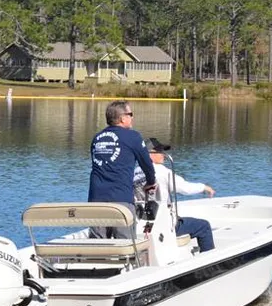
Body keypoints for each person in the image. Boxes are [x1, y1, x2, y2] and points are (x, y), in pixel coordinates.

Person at [88, 100, 156, 238]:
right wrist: (151, 182)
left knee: (97, 244)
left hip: (96, 199)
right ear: (122, 118)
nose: (132, 117)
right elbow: (147, 164)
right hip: (121, 199)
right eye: (130, 114)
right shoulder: (133, 137)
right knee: (126, 244)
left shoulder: (97, 138)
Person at [134, 138, 216, 252]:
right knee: (204, 226)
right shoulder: (161, 171)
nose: (163, 154)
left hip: (142, 222)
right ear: (150, 154)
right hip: (163, 222)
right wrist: (204, 187)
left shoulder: (135, 171)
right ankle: (209, 262)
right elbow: (185, 188)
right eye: (159, 151)